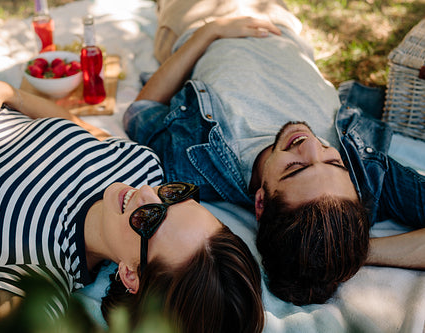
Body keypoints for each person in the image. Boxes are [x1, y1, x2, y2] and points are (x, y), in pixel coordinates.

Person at [0, 40, 265, 333]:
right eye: (175, 196)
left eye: (150, 219)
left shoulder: (36, 267)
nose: (146, 191)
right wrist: (8, 93)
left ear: (131, 276)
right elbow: (78, 127)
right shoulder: (142, 166)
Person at [123, 0, 425, 305]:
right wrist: (350, 248)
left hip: (198, 18)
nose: (310, 142)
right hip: (276, 20)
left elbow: (140, 111)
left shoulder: (195, 161)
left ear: (261, 203)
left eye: (295, 168)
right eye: (335, 161)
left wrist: (210, 32)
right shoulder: (369, 175)